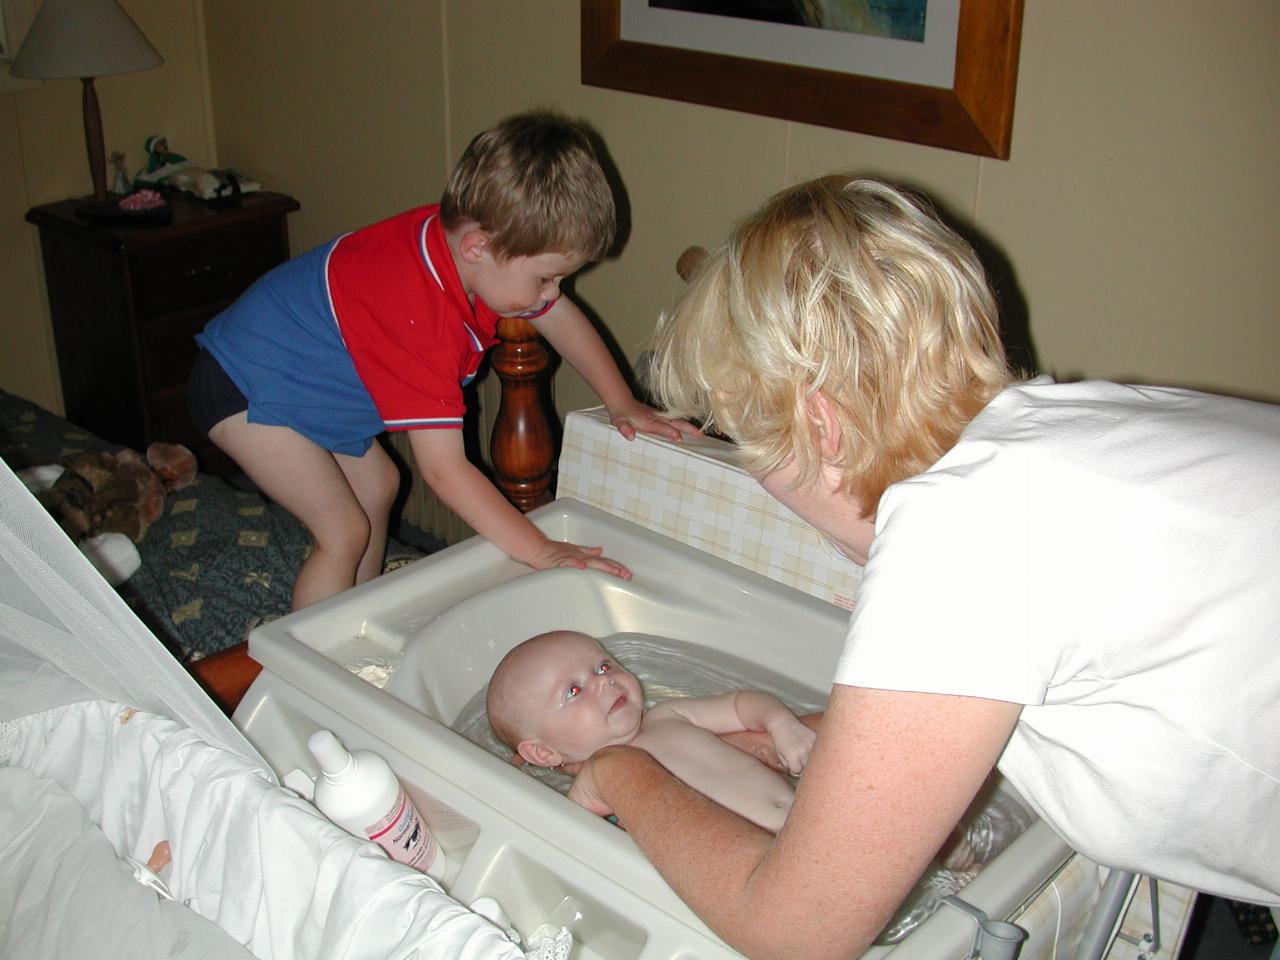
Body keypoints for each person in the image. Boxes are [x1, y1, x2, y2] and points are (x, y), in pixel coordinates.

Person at [567, 175, 1280, 959]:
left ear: (820, 426)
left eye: (752, 443)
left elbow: (795, 932)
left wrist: (619, 772)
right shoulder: (1076, 427)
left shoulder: (958, 539)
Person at [188, 112, 697, 609]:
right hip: (246, 383)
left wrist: (621, 400)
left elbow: (559, 317)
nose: (552, 293)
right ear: (477, 246)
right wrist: (539, 550)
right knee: (343, 531)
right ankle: (306, 669)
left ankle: (355, 618)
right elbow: (445, 472)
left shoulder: (468, 248)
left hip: (306, 380)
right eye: (546, 277)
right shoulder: (420, 316)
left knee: (379, 487)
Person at [485, 629, 816, 833]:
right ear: (543, 752)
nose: (603, 680)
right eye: (573, 690)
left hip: (804, 821)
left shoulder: (667, 716)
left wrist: (781, 725)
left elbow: (742, 706)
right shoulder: (602, 797)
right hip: (756, 863)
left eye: (603, 666)